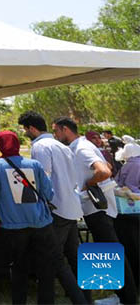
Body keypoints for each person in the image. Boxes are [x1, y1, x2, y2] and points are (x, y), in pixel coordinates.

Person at [0, 130, 75, 305]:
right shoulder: (35, 165)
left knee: (19, 268)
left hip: (13, 226)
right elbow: (48, 193)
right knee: (46, 267)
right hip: (41, 223)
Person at [54, 117, 138, 305]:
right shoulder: (82, 145)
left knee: (111, 251)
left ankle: (127, 299)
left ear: (66, 129)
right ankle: (119, 296)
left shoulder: (82, 149)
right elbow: (108, 166)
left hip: (98, 208)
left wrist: (87, 184)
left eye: (56, 131)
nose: (55, 136)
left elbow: (105, 171)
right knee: (105, 251)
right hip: (97, 208)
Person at [19, 111, 88, 304]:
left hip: (56, 209)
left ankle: (61, 299)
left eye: (25, 129)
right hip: (71, 207)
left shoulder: (41, 146)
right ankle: (86, 297)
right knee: (74, 257)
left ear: (32, 128)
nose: (25, 133)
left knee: (52, 260)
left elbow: (43, 180)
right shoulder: (61, 145)